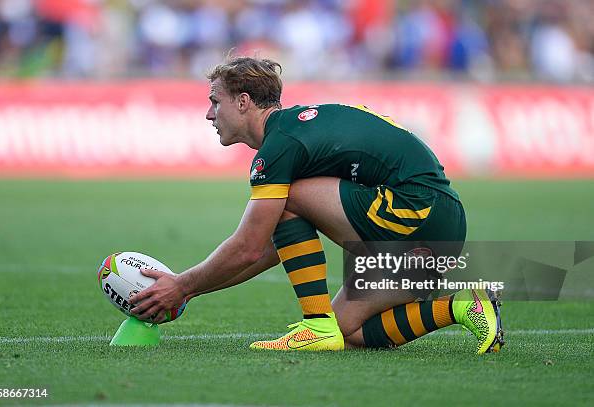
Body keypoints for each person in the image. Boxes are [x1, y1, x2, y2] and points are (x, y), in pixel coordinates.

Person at [129, 56, 504, 353]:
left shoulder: (281, 146)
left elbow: (249, 247)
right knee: (350, 331)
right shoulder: (298, 129)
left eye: (215, 101)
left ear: (243, 102)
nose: (209, 114)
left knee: (289, 195)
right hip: (441, 227)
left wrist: (181, 286)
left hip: (416, 210)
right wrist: (187, 289)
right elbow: (270, 249)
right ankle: (461, 305)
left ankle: (315, 324)